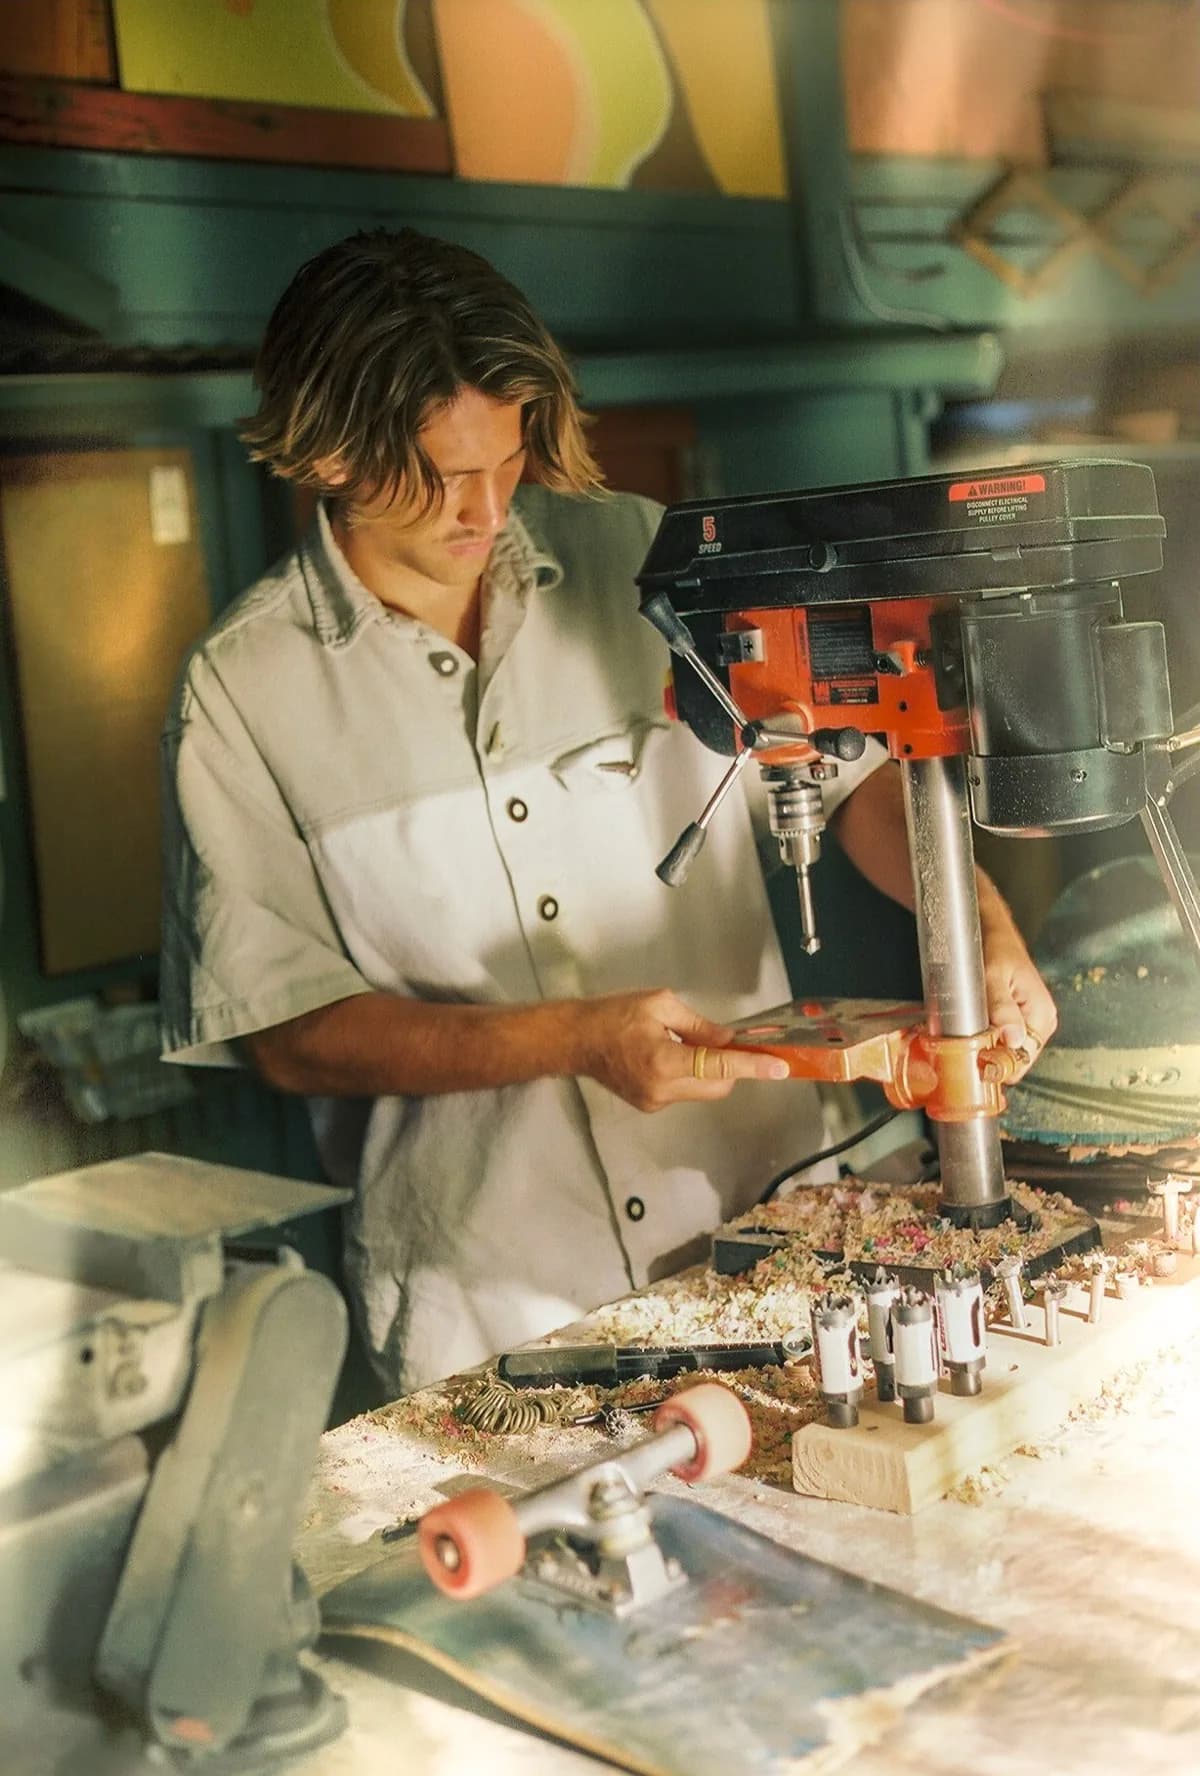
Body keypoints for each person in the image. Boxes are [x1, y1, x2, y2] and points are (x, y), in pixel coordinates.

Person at [160, 227, 1056, 1396]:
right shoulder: (243, 690)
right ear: (325, 454)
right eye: (436, 474)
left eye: (507, 459)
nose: (484, 509)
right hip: (497, 1304)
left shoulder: (644, 559)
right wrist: (573, 1041)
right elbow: (288, 1032)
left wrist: (983, 932)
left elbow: (854, 780)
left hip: (777, 1223)